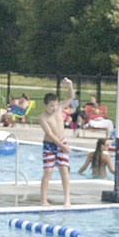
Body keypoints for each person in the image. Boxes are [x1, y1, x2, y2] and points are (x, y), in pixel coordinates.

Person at [39, 78, 75, 206]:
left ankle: (67, 198)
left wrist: (70, 85)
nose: (53, 108)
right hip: (50, 145)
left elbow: (71, 97)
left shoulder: (59, 108)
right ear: (46, 105)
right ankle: (43, 200)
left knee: (64, 169)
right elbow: (50, 134)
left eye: (55, 104)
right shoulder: (43, 118)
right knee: (48, 171)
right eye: (50, 106)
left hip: (62, 141)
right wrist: (62, 147)